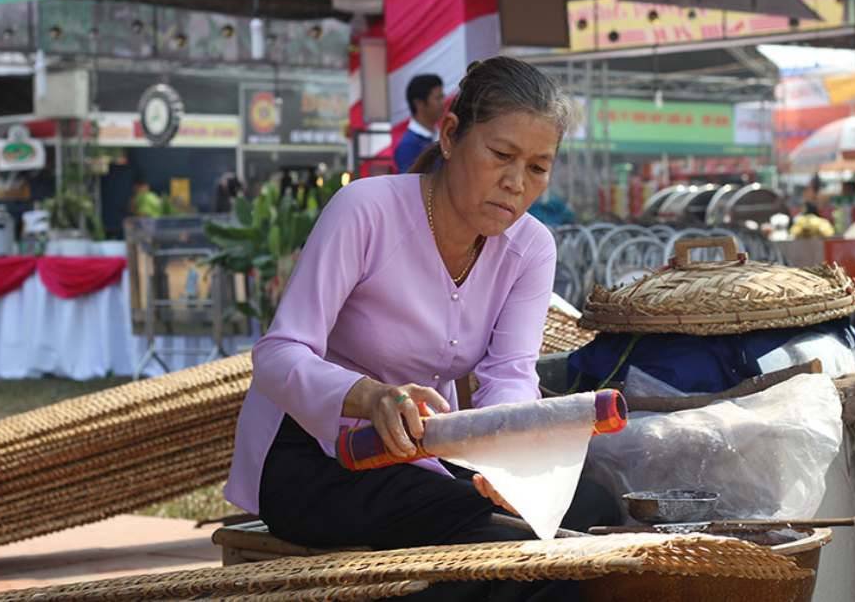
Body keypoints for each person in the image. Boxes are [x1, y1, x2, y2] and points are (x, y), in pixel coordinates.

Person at [224, 56, 621, 601]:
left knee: (598, 513)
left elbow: (509, 373)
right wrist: (369, 397)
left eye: (537, 167)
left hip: (429, 453)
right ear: (452, 135)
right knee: (494, 544)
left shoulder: (531, 247)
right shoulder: (366, 210)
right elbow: (278, 353)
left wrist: (508, 459)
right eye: (501, 155)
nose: (515, 183)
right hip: (316, 457)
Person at [394, 74, 444, 173]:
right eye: (438, 98)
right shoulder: (408, 146)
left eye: (442, 97)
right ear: (419, 103)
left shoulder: (443, 136)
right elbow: (409, 186)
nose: (443, 102)